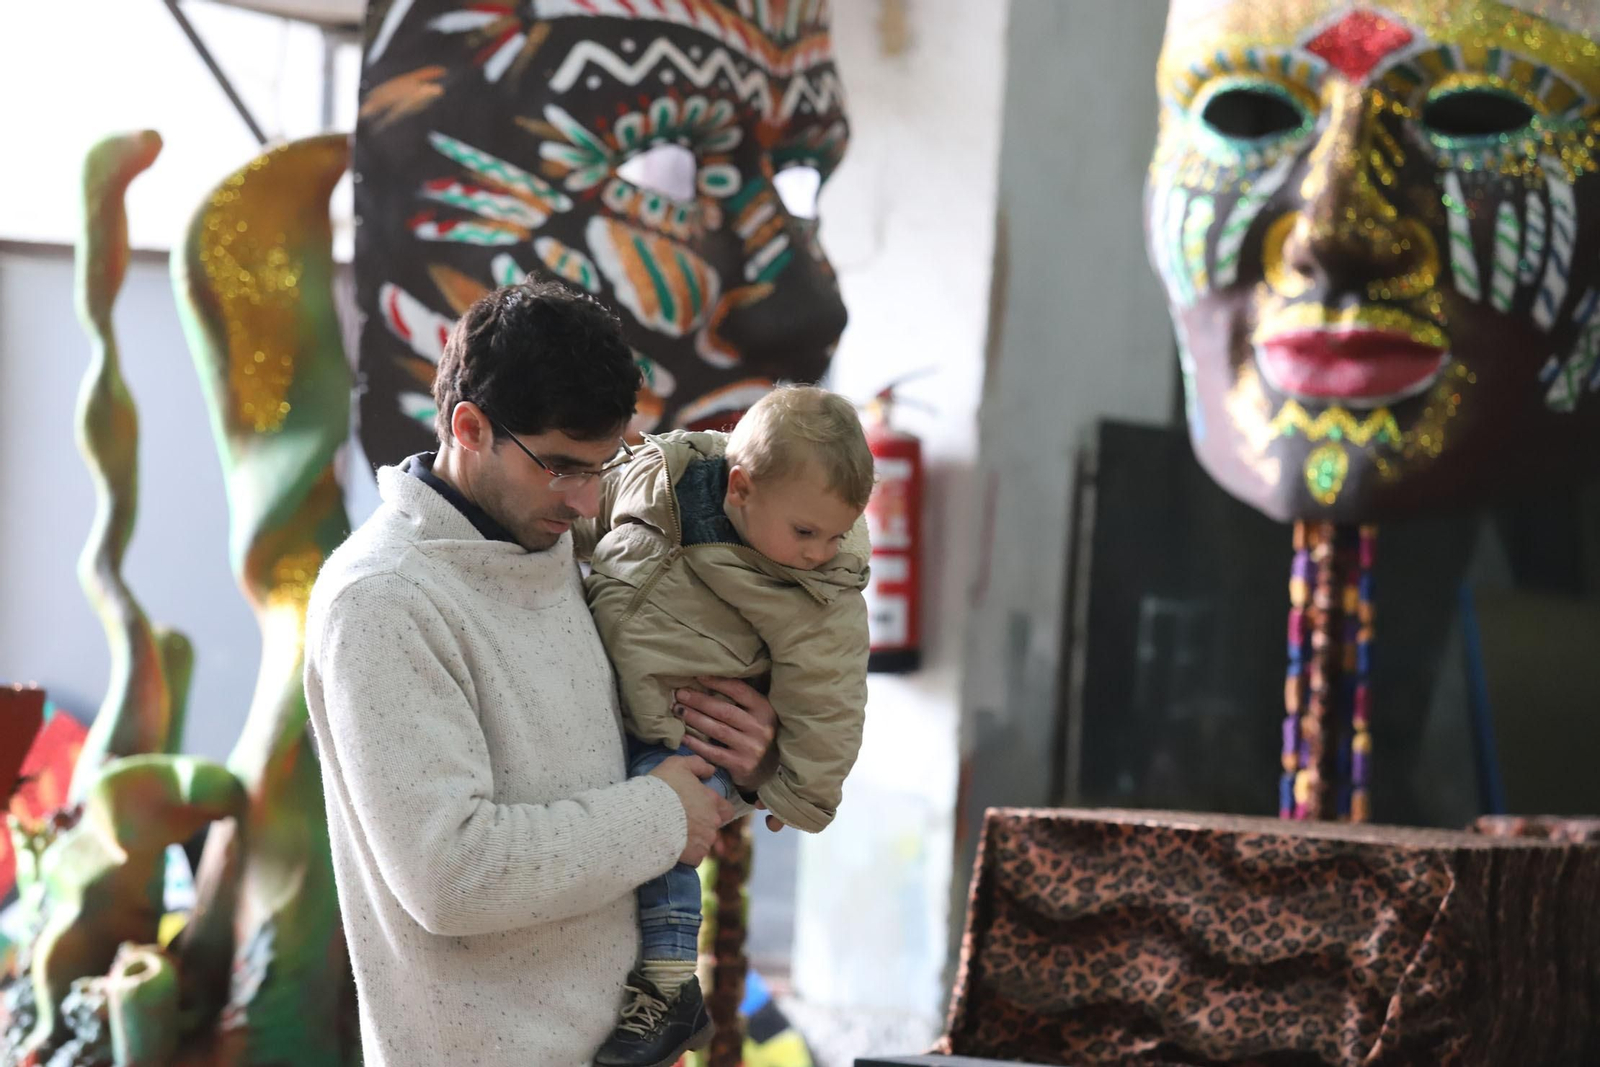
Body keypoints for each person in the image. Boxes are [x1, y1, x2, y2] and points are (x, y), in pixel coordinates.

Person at [303, 280, 781, 1066]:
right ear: (469, 425)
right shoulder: (383, 599)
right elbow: (453, 875)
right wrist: (663, 815)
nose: (586, 497)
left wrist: (748, 756)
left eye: (603, 464)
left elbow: (646, 772)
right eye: (560, 466)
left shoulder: (565, 540)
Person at [577, 386, 874, 1067]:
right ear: (739, 488)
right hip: (592, 701)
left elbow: (830, 697)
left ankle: (671, 981)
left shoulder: (817, 594)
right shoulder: (662, 477)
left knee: (665, 819)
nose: (821, 551)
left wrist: (798, 790)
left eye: (837, 533)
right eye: (807, 532)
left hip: (677, 729)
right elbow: (583, 514)